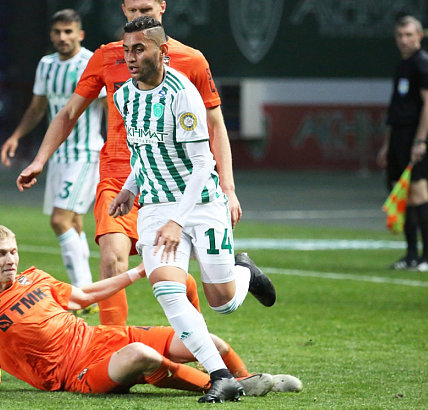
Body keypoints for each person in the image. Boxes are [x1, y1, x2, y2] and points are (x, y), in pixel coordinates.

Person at [16, 0, 244, 329]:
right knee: (111, 257)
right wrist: (40, 160)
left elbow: (215, 125)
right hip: (118, 177)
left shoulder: (191, 60)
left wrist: (228, 188)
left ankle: (223, 286)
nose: (139, 16)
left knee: (215, 296)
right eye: (133, 10)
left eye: (146, 9)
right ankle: (112, 343)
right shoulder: (106, 56)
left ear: (162, 7)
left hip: (175, 182)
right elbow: (69, 112)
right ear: (124, 9)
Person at [108, 16, 276, 403]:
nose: (130, 57)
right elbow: (145, 152)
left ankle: (244, 272)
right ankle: (221, 376)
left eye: (139, 49)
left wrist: (176, 220)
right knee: (168, 291)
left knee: (222, 303)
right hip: (156, 207)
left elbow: (203, 164)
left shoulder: (182, 93)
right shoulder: (123, 96)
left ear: (162, 50)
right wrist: (130, 188)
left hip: (201, 203)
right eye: (126, 50)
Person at [0, 225, 297, 401]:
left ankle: (248, 379)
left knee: (211, 342)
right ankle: (224, 386)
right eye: (1, 254)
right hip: (74, 372)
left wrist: (137, 272)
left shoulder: (35, 278)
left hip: (103, 338)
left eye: (13, 251)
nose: (10, 259)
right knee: (141, 355)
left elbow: (84, 295)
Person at [0, 9, 105, 300]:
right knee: (74, 222)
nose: (63, 37)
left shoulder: (91, 63)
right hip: (57, 156)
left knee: (60, 220)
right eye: (58, 31)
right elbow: (37, 107)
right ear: (51, 34)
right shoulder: (46, 65)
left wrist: (118, 146)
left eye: (68, 31)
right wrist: (16, 136)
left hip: (85, 153)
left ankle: (84, 296)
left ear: (80, 34)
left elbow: (109, 106)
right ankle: (89, 292)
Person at [377, 15, 428, 272]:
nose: (404, 40)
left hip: (414, 136)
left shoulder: (423, 63)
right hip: (398, 138)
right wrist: (387, 144)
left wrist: (420, 140)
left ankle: (427, 257)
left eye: (409, 35)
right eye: (400, 35)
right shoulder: (403, 65)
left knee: (419, 193)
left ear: (419, 36)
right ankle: (411, 255)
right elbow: (396, 109)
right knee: (405, 195)